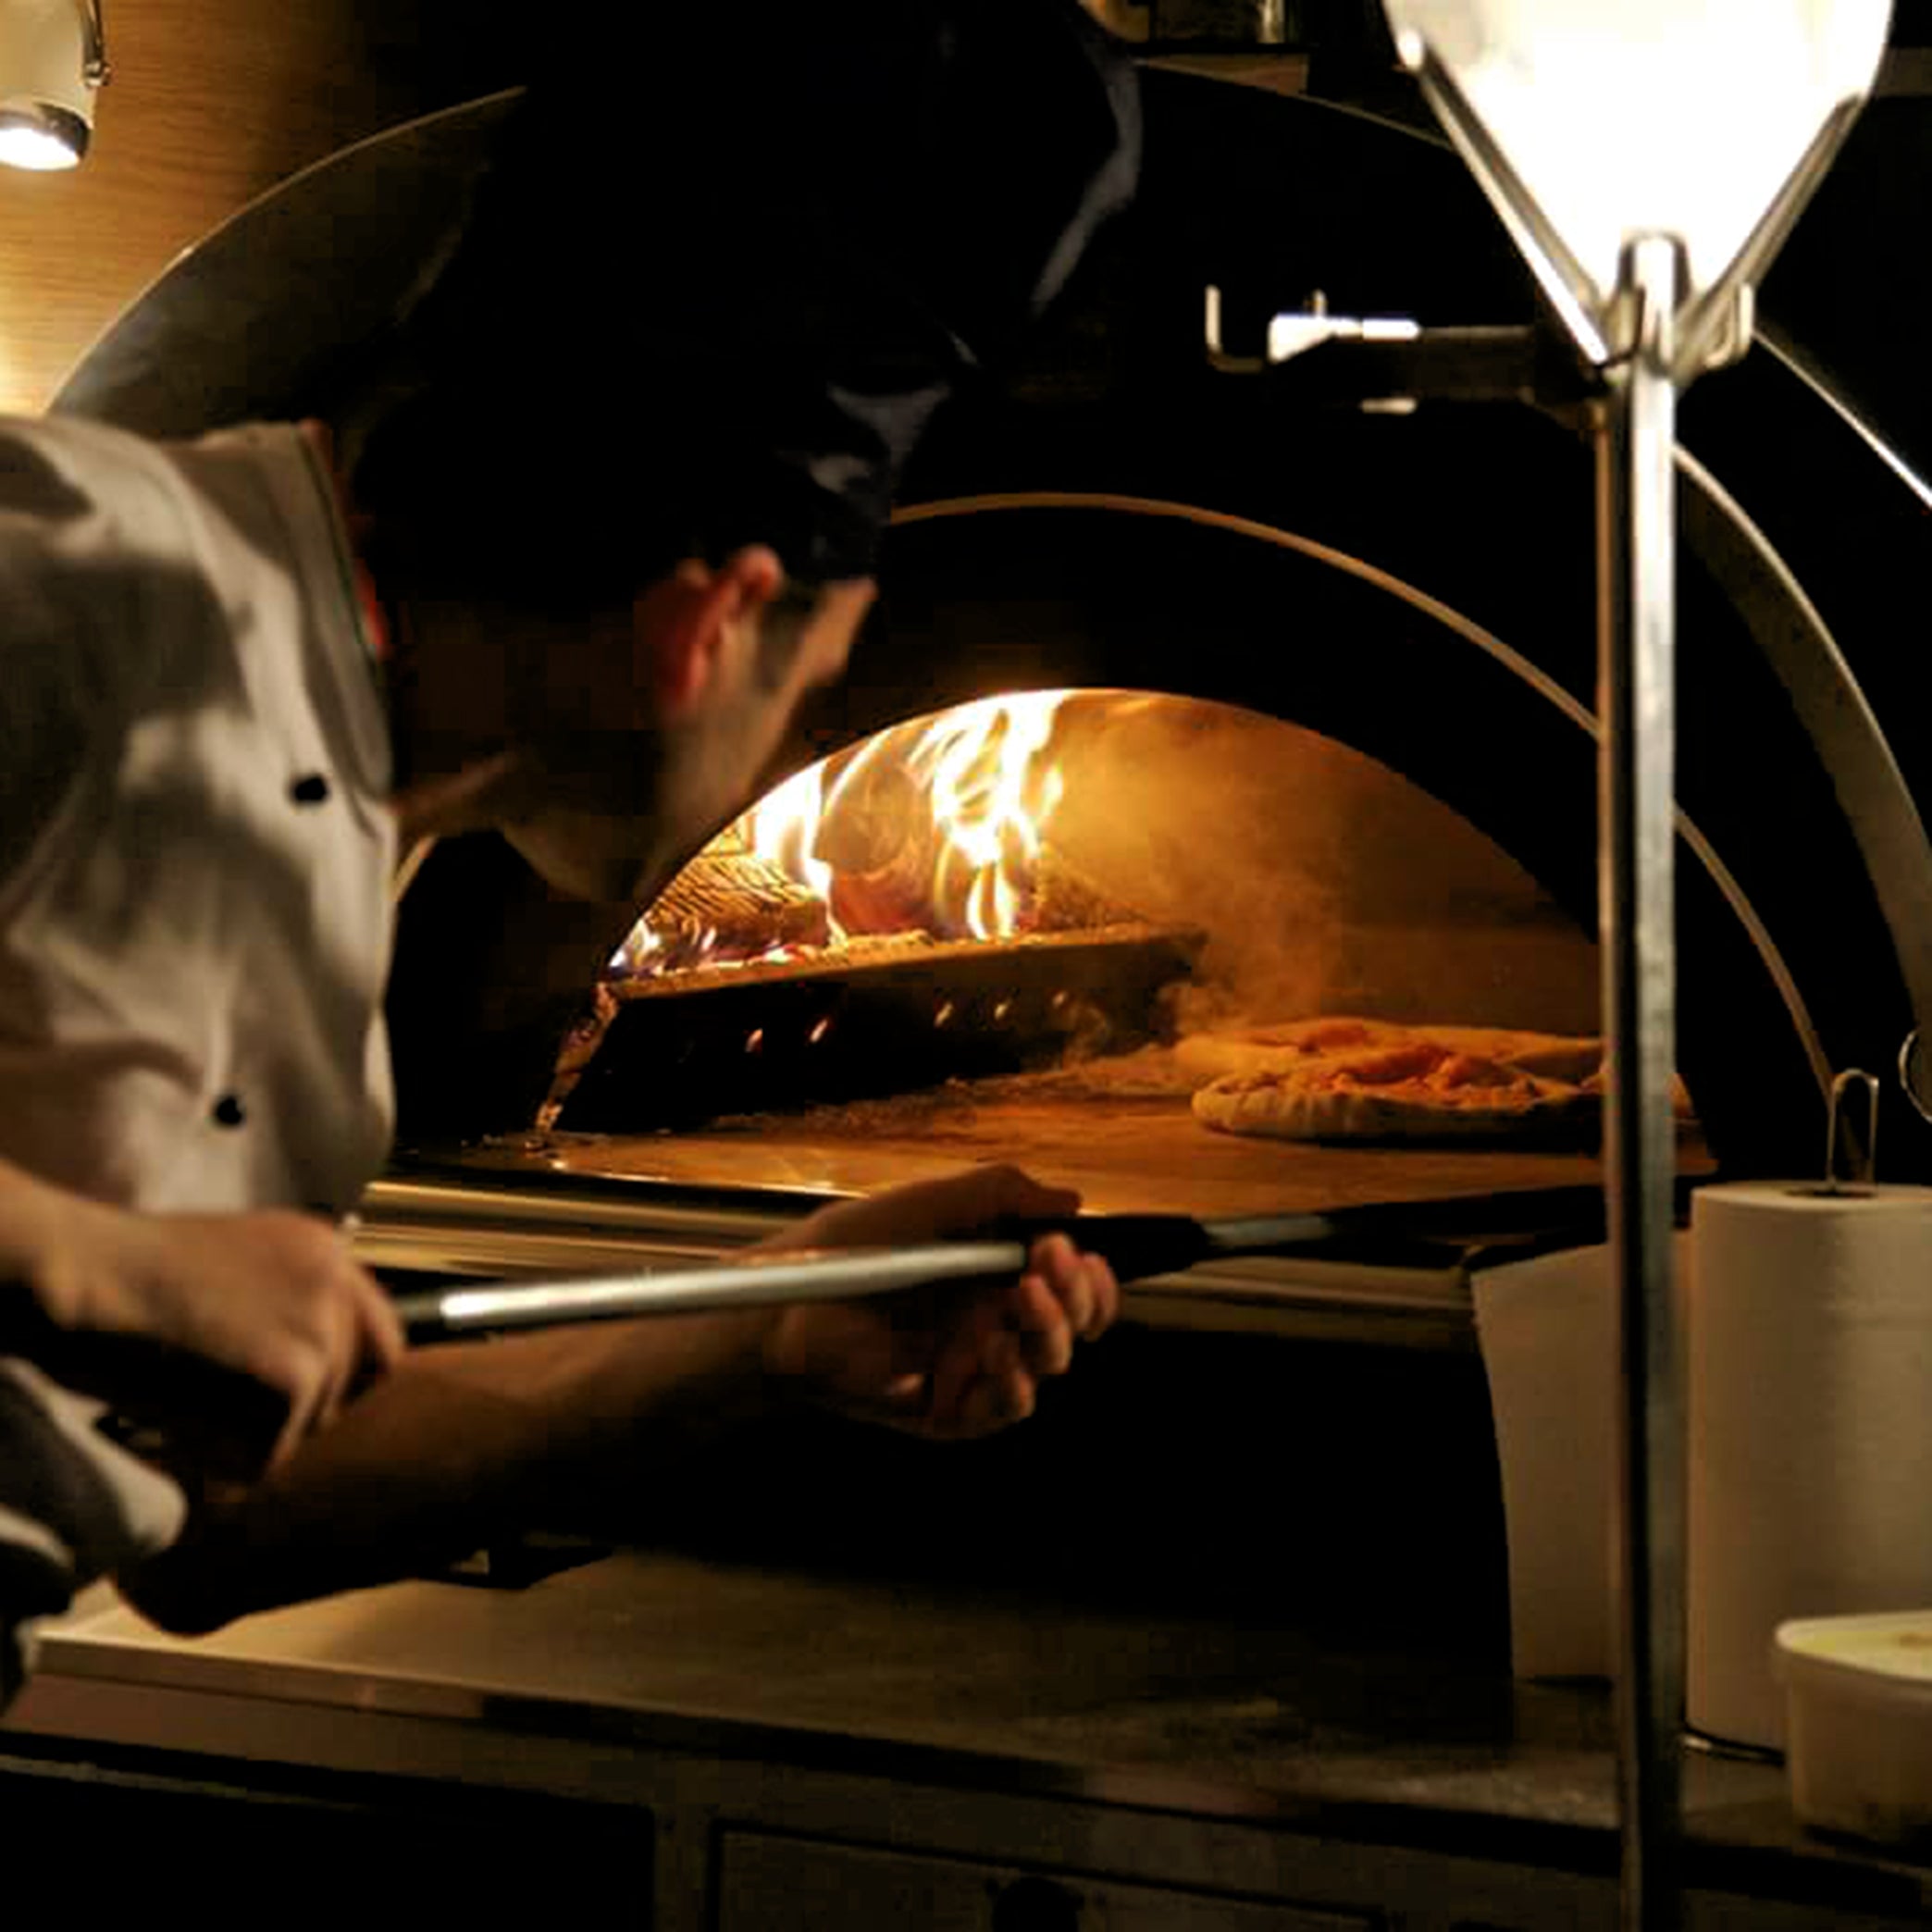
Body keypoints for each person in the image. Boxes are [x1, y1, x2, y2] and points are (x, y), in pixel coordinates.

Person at [0, 1, 1140, 1678]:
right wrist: (129, 1273)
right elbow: (150, 1310)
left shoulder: (336, 845)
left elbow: (210, 1518)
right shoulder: (78, 581)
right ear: (706, 625)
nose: (791, 746)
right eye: (811, 684)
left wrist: (768, 1326)